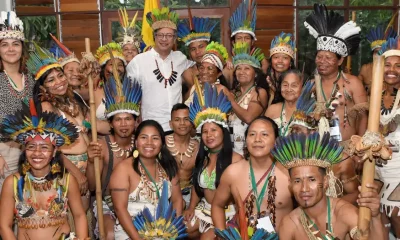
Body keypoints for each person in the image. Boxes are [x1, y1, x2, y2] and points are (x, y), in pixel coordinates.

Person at [0, 99, 88, 240]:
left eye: (44, 147)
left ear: (54, 152)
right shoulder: (13, 183)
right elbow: (4, 225)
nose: (37, 153)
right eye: (31, 147)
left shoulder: (66, 180)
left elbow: (79, 215)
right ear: (25, 151)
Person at [273, 132, 386, 240]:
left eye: (311, 179)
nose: (304, 188)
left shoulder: (343, 212)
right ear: (290, 184)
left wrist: (375, 217)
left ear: (326, 181)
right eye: (297, 181)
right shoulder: (289, 224)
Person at [212, 117, 293, 235]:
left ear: (276, 141)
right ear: (246, 140)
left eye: (264, 134)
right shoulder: (232, 172)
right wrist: (223, 235)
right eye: (252, 134)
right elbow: (217, 205)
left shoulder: (289, 173)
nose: (257, 139)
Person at [304, 4, 368, 148]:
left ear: (340, 60)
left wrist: (361, 148)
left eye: (328, 57)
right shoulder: (312, 84)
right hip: (317, 150)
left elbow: (363, 117)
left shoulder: (352, 83)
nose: (322, 61)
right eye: (319, 56)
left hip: (346, 149)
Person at [86, 72, 142, 239]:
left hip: (138, 202)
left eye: (128, 119)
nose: (124, 125)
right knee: (110, 235)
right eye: (118, 120)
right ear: (110, 123)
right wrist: (90, 161)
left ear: (136, 121)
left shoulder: (143, 144)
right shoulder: (102, 145)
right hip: (107, 203)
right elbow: (92, 187)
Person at [184, 83, 241, 239]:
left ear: (223, 132)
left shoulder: (236, 160)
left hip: (226, 214)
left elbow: (243, 196)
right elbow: (197, 186)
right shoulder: (203, 157)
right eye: (205, 132)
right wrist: (190, 207)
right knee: (177, 229)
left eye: (214, 130)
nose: (209, 135)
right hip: (204, 209)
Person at [287, 82, 360, 204]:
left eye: (297, 130)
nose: (292, 135)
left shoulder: (341, 160)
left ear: (314, 132)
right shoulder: (290, 159)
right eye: (292, 130)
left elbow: (354, 193)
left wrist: (329, 209)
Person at [109, 120, 182, 239]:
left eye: (155, 138)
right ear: (136, 142)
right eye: (144, 137)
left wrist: (174, 230)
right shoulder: (123, 169)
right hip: (131, 232)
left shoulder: (168, 166)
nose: (149, 143)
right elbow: (120, 209)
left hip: (162, 232)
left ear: (162, 143)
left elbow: (178, 200)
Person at [127, 7, 194, 133]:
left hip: (177, 128)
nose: (164, 39)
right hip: (150, 127)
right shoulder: (138, 61)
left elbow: (200, 72)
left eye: (169, 36)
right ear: (154, 36)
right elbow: (128, 93)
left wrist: (226, 60)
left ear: (174, 39)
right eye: (160, 35)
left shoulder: (180, 58)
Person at [0, 11, 35, 194]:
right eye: (4, 45)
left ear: (22, 48)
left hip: (31, 152)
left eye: (15, 44)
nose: (11, 49)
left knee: (27, 209)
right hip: (4, 153)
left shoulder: (31, 79)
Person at [374, 37, 400, 238]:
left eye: (398, 65)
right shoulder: (375, 94)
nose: (392, 69)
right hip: (377, 167)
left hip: (398, 168)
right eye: (388, 64)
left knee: (397, 216)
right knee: (379, 215)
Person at [227, 42, 268, 155]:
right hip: (230, 149)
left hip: (249, 150)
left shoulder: (259, 92)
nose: (241, 72)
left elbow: (249, 118)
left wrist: (230, 101)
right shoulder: (233, 93)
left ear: (255, 74)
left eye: (247, 68)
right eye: (238, 68)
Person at [166, 103, 199, 209]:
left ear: (192, 123)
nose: (182, 123)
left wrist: (192, 207)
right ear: (171, 124)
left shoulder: (198, 146)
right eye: (177, 120)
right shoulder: (161, 143)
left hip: (189, 195)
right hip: (164, 196)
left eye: (186, 119)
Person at [229, 0, 268, 77]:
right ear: (233, 42)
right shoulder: (229, 59)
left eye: (247, 38)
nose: (243, 41)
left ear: (252, 41)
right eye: (239, 38)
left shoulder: (259, 57)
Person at [185, 41, 229, 106]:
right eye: (202, 68)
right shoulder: (194, 88)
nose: (204, 72)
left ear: (219, 73)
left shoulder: (222, 90)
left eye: (210, 68)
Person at [359, 22, 397, 93]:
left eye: (383, 52)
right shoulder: (366, 68)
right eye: (377, 52)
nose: (380, 55)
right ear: (372, 54)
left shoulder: (394, 69)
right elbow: (357, 89)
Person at [94, 42, 126, 123]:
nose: (116, 68)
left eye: (120, 65)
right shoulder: (94, 89)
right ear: (103, 68)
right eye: (111, 64)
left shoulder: (131, 89)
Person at [265, 69, 303, 136]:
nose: (288, 89)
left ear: (302, 87)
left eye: (294, 85)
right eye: (285, 85)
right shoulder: (272, 110)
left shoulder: (309, 111)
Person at [267, 32, 297, 105]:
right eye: (276, 57)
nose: (280, 61)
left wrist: (276, 92)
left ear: (290, 62)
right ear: (271, 61)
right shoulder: (263, 80)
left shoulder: (297, 80)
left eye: (285, 58)